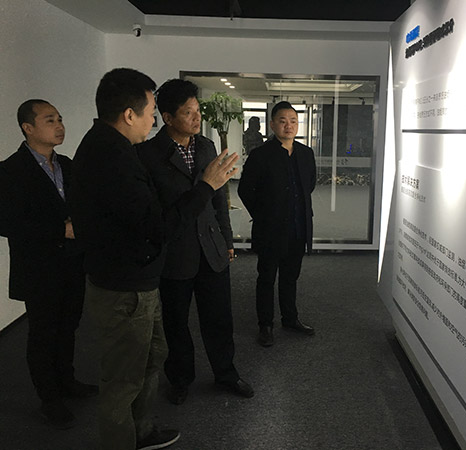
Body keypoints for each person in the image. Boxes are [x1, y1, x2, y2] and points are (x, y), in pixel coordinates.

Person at [70, 68, 238, 450]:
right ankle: (125, 438)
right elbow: (155, 226)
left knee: (151, 355)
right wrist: (206, 185)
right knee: (124, 376)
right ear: (132, 114)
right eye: (150, 113)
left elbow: (212, 206)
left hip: (144, 274)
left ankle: (142, 430)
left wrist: (223, 229)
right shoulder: (120, 157)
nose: (151, 122)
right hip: (129, 282)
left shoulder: (111, 147)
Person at [137, 79, 253, 405]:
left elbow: (218, 199)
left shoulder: (206, 147)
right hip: (175, 251)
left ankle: (226, 373)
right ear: (167, 117)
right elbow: (155, 212)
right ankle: (180, 379)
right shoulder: (147, 155)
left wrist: (227, 239)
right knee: (176, 322)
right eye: (187, 112)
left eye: (197, 110)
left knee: (219, 318)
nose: (196, 117)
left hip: (211, 248)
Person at [0, 99, 97, 430]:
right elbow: (7, 222)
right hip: (39, 268)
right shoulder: (10, 171)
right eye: (50, 120)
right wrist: (60, 229)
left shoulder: (67, 165)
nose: (59, 125)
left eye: (60, 119)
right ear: (28, 128)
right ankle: (49, 399)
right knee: (43, 333)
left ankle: (66, 381)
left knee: (69, 325)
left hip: (72, 263)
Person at [238, 101, 316, 347]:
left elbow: (310, 185)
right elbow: (245, 190)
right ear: (272, 125)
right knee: (267, 278)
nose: (288, 126)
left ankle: (290, 319)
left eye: (293, 121)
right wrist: (263, 214)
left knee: (290, 277)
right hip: (270, 229)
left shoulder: (306, 153)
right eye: (283, 121)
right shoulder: (260, 155)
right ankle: (266, 325)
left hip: (298, 227)